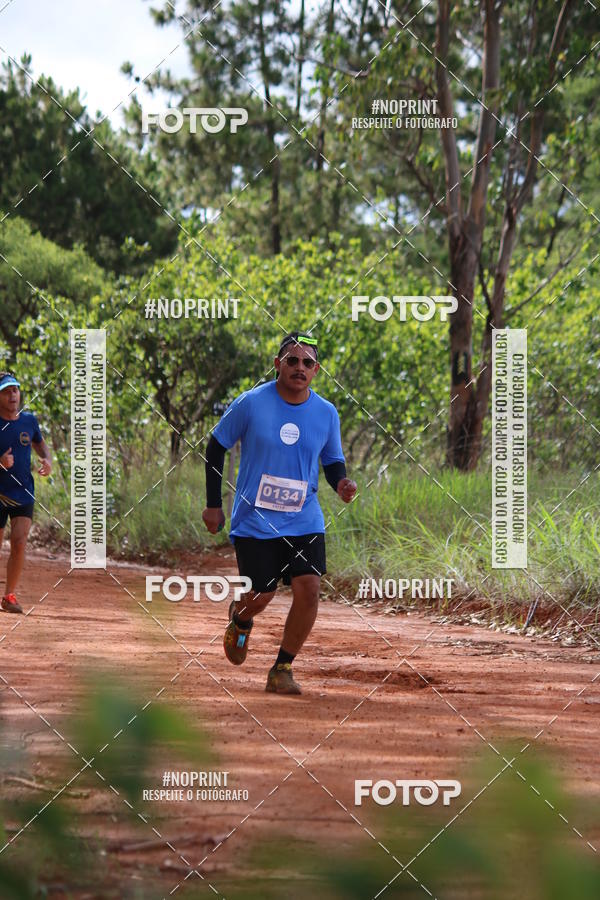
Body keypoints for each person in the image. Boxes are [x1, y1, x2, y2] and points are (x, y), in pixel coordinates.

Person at [202, 333, 357, 695]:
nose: (299, 368)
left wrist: (341, 484)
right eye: (292, 360)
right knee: (262, 594)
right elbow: (215, 446)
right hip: (255, 519)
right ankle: (241, 619)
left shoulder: (326, 412)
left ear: (316, 371)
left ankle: (282, 667)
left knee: (310, 589)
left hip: (304, 517)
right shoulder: (251, 403)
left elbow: (332, 461)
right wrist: (213, 503)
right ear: (278, 364)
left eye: (307, 363)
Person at [0, 372, 52, 614]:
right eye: (6, 391)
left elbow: (39, 443)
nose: (12, 395)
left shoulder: (29, 421)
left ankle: (9, 595)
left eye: (15, 390)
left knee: (19, 543)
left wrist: (47, 459)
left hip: (23, 492)